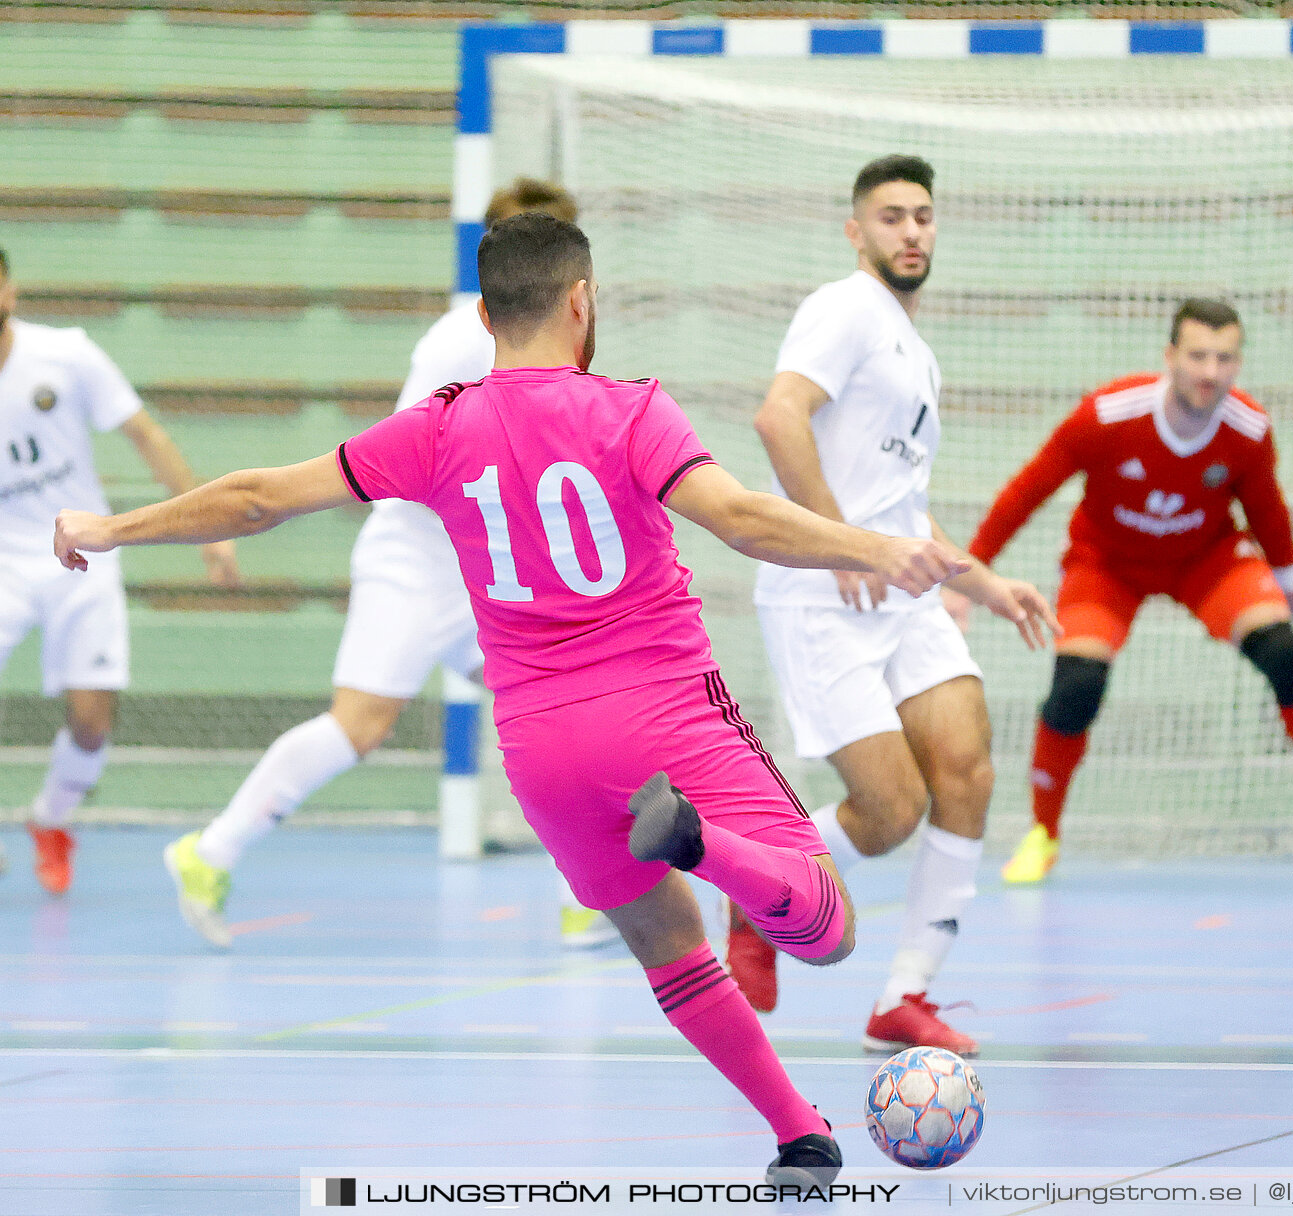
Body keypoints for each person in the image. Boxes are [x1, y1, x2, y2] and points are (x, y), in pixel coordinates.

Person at [54, 212, 970, 1183]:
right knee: (825, 928)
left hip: (539, 745)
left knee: (664, 941)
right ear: (584, 303)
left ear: (485, 313)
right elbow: (741, 518)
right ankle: (701, 844)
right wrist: (879, 546)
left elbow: (258, 497)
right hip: (663, 712)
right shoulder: (631, 409)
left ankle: (798, 1133)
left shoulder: (440, 425)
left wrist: (113, 525)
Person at [160, 179, 612, 950]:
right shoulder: (457, 343)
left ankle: (593, 891)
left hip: (485, 573)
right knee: (359, 725)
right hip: (417, 561)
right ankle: (209, 852)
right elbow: (410, 457)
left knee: (569, 715)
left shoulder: (558, 349)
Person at [737, 155, 1057, 1055]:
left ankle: (903, 998)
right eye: (890, 217)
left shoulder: (914, 351)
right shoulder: (843, 308)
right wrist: (840, 540)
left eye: (922, 216)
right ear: (856, 231)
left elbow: (900, 507)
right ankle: (756, 892)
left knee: (968, 771)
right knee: (888, 812)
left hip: (900, 590)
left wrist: (985, 585)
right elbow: (778, 417)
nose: (911, 231)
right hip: (824, 589)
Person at [963, 298, 1293, 885]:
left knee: (1285, 652)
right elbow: (1028, 488)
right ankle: (1042, 834)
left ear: (1239, 362)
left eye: (1225, 358)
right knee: (1077, 684)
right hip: (1107, 564)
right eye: (1198, 356)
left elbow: (1267, 510)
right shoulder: (1107, 415)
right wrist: (969, 574)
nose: (1211, 372)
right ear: (1170, 357)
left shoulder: (1248, 430)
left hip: (1204, 561)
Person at [0, 245, 239, 894]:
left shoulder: (66, 355)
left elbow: (145, 434)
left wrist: (207, 530)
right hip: (3, 562)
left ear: (10, 292)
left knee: (91, 723)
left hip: (80, 552)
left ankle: (50, 818)